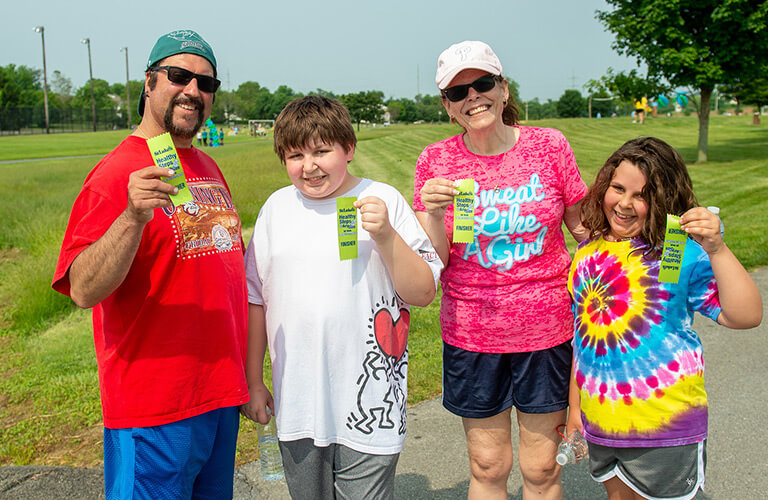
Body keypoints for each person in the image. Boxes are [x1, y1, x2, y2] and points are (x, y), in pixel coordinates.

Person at [51, 30, 248, 499]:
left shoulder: (205, 166)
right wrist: (132, 216)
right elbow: (82, 288)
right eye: (179, 76)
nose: (193, 91)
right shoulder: (114, 174)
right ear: (148, 82)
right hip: (155, 407)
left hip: (218, 396)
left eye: (206, 83)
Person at [240, 95, 442, 499]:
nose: (309, 166)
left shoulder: (383, 200)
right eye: (295, 155)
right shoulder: (276, 210)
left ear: (348, 149)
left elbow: (422, 292)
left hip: (372, 403)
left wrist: (385, 235)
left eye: (321, 151)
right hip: (298, 401)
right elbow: (256, 299)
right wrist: (253, 380)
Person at [414, 40, 588, 499]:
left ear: (504, 89)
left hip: (547, 332)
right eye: (458, 92)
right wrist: (432, 214)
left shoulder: (550, 146)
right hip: (473, 334)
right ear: (447, 107)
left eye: (483, 83)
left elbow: (586, 231)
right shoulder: (436, 162)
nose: (473, 97)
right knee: (488, 467)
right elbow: (436, 261)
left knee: (541, 468)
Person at [566, 137, 762, 500]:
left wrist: (716, 247)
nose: (624, 204)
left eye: (641, 195)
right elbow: (585, 339)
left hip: (663, 427)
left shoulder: (679, 252)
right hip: (602, 424)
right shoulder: (587, 252)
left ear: (663, 200)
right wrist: (575, 410)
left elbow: (745, 315)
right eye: (617, 188)